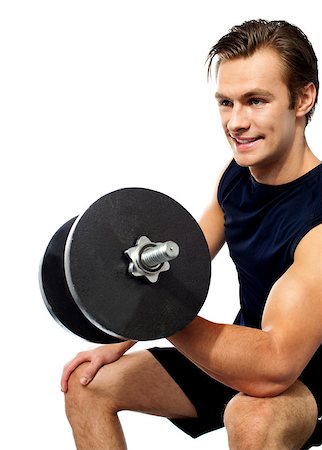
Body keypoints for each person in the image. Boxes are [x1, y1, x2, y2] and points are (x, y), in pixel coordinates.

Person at [61, 19, 322, 449]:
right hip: (246, 356)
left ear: (303, 97)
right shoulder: (237, 179)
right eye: (226, 102)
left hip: (302, 377)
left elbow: (276, 364)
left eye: (256, 101)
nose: (236, 122)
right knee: (87, 385)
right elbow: (180, 265)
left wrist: (159, 312)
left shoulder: (318, 219)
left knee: (252, 417)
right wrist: (117, 339)